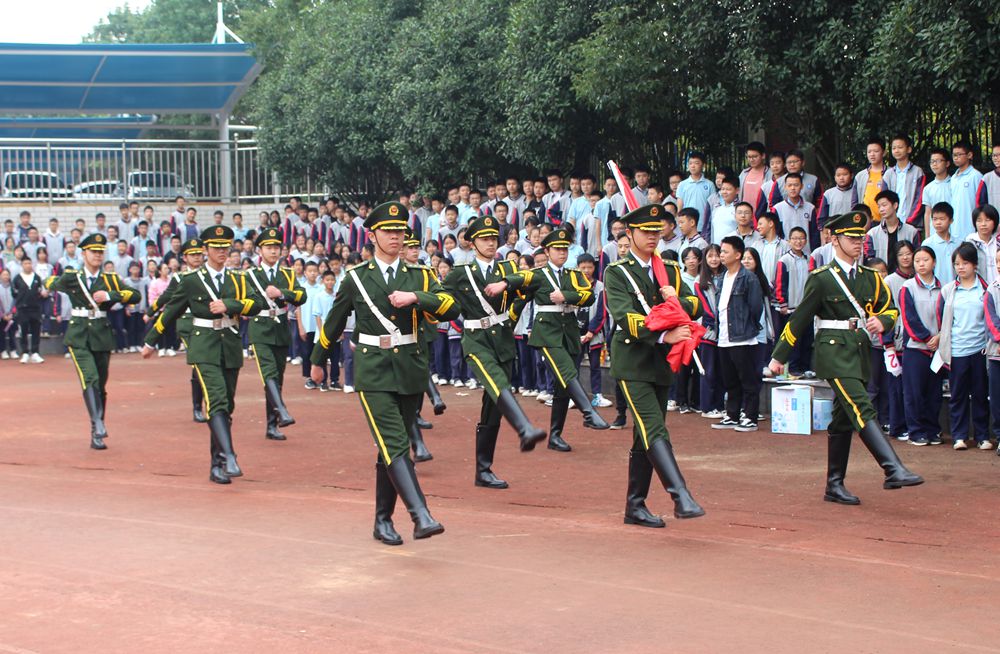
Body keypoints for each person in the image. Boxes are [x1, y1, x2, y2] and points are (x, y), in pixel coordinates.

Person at [309, 201, 460, 546]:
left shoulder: (420, 274)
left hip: (409, 366)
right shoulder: (355, 278)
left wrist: (417, 297)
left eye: (400, 232)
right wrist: (318, 362)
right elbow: (332, 325)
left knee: (390, 446)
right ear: (373, 235)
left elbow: (451, 306)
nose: (395, 237)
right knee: (394, 441)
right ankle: (420, 514)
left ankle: (382, 520)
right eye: (388, 232)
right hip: (372, 367)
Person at [769, 210, 923, 505]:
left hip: (859, 349)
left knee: (842, 420)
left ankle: (834, 485)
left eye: (861, 238)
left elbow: (890, 308)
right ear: (835, 240)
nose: (858, 243)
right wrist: (779, 358)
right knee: (861, 405)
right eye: (851, 238)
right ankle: (893, 468)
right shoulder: (823, 279)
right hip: (833, 350)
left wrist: (884, 322)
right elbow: (799, 320)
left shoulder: (870, 278)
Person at [602, 203, 705, 527]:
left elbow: (695, 304)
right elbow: (626, 318)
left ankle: (635, 506)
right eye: (645, 232)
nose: (652, 237)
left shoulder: (670, 270)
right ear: (629, 234)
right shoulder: (617, 272)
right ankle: (680, 495)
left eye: (656, 231)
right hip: (633, 361)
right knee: (654, 427)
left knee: (644, 434)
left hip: (660, 364)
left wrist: (675, 299)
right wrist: (665, 333)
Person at [143, 226, 266, 484]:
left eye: (225, 247)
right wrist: (151, 341)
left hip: (230, 344)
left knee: (225, 405)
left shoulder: (239, 279)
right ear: (206, 250)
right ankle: (230, 454)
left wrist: (230, 305)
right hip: (204, 346)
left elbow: (258, 303)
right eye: (216, 247)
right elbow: (171, 311)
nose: (222, 252)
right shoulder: (190, 280)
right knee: (217, 400)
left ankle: (217, 463)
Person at [440, 216, 548, 488]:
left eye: (493, 238)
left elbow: (535, 279)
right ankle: (525, 428)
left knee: (493, 407)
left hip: (502, 341)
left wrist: (507, 284)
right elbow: (441, 301)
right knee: (499, 385)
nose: (490, 243)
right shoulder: (459, 274)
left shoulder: (507, 268)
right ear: (472, 243)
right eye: (484, 239)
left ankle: (483, 470)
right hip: (476, 341)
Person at [486, 224, 610, 452]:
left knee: (563, 386)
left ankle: (555, 436)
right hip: (547, 333)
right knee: (566, 372)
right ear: (547, 251)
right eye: (557, 249)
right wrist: (503, 285)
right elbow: (518, 281)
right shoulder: (538, 274)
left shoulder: (574, 275)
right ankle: (589, 412)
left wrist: (566, 296)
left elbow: (588, 297)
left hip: (570, 332)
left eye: (564, 248)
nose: (562, 252)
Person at [45, 233, 140, 450]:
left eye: (100, 252)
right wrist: (51, 281)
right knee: (90, 378)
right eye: (93, 252)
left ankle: (97, 428)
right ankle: (97, 423)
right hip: (78, 333)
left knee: (100, 385)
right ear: (83, 253)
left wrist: (110, 297)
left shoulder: (110, 279)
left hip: (101, 334)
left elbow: (135, 296)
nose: (97, 255)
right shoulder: (72, 276)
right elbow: (52, 282)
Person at [246, 227, 307, 441]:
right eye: (269, 248)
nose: (273, 251)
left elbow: (302, 295)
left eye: (276, 248)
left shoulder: (287, 274)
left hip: (281, 327)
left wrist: (281, 293)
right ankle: (282, 410)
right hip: (260, 327)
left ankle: (272, 425)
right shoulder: (250, 275)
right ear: (259, 250)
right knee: (268, 372)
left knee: (277, 378)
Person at [146, 238, 207, 422]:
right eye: (193, 255)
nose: (197, 258)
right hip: (187, 323)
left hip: (206, 322)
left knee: (206, 362)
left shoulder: (208, 275)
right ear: (185, 257)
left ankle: (207, 403)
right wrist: (150, 311)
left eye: (199, 254)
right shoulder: (180, 278)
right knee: (199, 362)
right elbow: (166, 297)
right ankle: (198, 406)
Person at [936, 243, 990, 450]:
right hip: (957, 349)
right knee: (957, 395)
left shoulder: (985, 289)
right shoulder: (949, 290)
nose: (960, 267)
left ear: (974, 265)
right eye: (957, 264)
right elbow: (943, 318)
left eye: (964, 263)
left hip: (979, 349)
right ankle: (959, 435)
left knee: (979, 394)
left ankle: (982, 436)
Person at [709, 237, 765, 431]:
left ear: (737, 254)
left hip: (743, 337)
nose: (721, 255)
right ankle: (732, 415)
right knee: (730, 379)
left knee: (748, 379)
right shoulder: (721, 277)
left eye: (725, 252)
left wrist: (747, 326)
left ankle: (750, 416)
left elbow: (756, 307)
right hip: (724, 337)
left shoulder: (748, 277)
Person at [898, 245, 943, 446]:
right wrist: (927, 338)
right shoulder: (908, 287)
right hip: (916, 348)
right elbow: (909, 318)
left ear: (934, 262)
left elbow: (947, 316)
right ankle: (916, 431)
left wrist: (940, 337)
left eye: (925, 260)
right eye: (917, 261)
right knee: (914, 392)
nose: (921, 264)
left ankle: (933, 430)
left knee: (934, 392)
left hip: (938, 349)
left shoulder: (944, 288)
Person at [774, 227, 812, 375]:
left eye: (801, 238)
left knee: (807, 339)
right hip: (791, 307)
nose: (798, 241)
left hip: (807, 307)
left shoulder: (808, 259)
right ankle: (794, 369)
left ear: (806, 241)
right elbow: (779, 283)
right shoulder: (784, 260)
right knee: (794, 340)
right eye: (795, 238)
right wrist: (782, 302)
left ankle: (806, 367)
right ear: (789, 241)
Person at [865, 190, 920, 272]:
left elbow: (917, 257)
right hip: (881, 278)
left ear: (895, 205)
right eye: (879, 206)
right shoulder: (872, 234)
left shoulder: (912, 232)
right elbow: (869, 260)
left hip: (906, 277)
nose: (881, 209)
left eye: (884, 205)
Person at [13, 257, 46, 363]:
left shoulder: (37, 277)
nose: (28, 265)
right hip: (22, 309)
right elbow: (14, 293)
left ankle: (35, 352)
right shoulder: (17, 278)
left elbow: (40, 291)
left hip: (35, 308)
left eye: (29, 263)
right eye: (25, 263)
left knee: (36, 330)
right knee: (24, 331)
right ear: (22, 265)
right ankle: (25, 353)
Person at [949, 140, 983, 240]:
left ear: (969, 155)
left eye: (959, 154)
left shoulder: (976, 176)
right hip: (955, 226)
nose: (956, 158)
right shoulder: (953, 178)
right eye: (954, 155)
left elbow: (980, 203)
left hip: (970, 225)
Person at [923, 202, 959, 284]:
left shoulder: (959, 244)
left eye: (942, 219)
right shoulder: (928, 244)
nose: (938, 222)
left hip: (956, 288)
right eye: (935, 219)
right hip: (936, 288)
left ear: (951, 220)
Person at [816, 163, 858, 230]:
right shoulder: (828, 194)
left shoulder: (856, 192)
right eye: (838, 175)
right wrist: (822, 229)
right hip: (833, 229)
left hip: (851, 228)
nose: (841, 178)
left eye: (845, 174)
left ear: (852, 175)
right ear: (834, 177)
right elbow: (822, 216)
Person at [855, 138, 888, 218]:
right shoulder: (860, 176)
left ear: (884, 153)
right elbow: (855, 200)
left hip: (885, 220)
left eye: (876, 151)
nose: (872, 154)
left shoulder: (890, 173)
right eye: (869, 152)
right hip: (865, 220)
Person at [967, 205, 999, 285]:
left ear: (995, 222)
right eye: (979, 220)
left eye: (987, 220)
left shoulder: (998, 241)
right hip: (979, 288)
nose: (983, 224)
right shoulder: (970, 243)